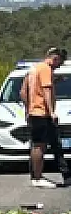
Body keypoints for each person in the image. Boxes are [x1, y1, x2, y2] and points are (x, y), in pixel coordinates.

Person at [25, 47, 67, 189]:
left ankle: (36, 175)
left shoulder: (33, 69)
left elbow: (23, 92)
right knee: (40, 145)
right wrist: (52, 112)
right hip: (42, 113)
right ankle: (37, 177)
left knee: (37, 144)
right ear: (55, 58)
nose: (58, 66)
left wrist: (28, 108)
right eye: (59, 63)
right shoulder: (45, 69)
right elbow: (46, 91)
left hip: (34, 112)